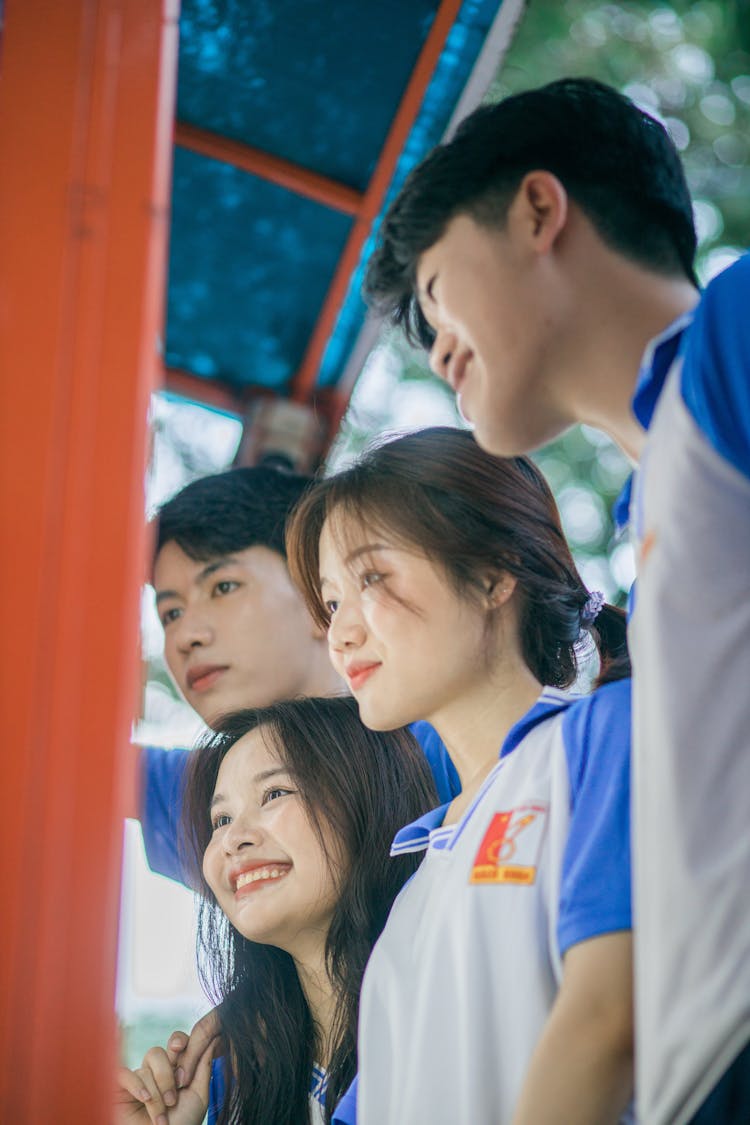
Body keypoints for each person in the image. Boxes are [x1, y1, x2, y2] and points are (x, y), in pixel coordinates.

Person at [363, 77, 750, 1124]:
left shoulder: (733, 337)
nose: (438, 348)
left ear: (540, 210)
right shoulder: (653, 505)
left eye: (438, 292)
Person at [286, 426, 634, 1124]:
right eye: (329, 602)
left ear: (493, 571)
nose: (340, 632)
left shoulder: (607, 735)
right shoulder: (410, 894)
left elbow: (608, 1019)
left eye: (372, 578)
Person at [116, 695, 438, 1125]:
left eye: (274, 793)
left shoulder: (444, 1022)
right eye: (221, 819)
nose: (233, 839)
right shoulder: (227, 1082)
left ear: (369, 799)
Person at [140, 465, 459, 883]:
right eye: (171, 613)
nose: (186, 636)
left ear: (316, 594)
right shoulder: (196, 789)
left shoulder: (448, 750)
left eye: (223, 587)